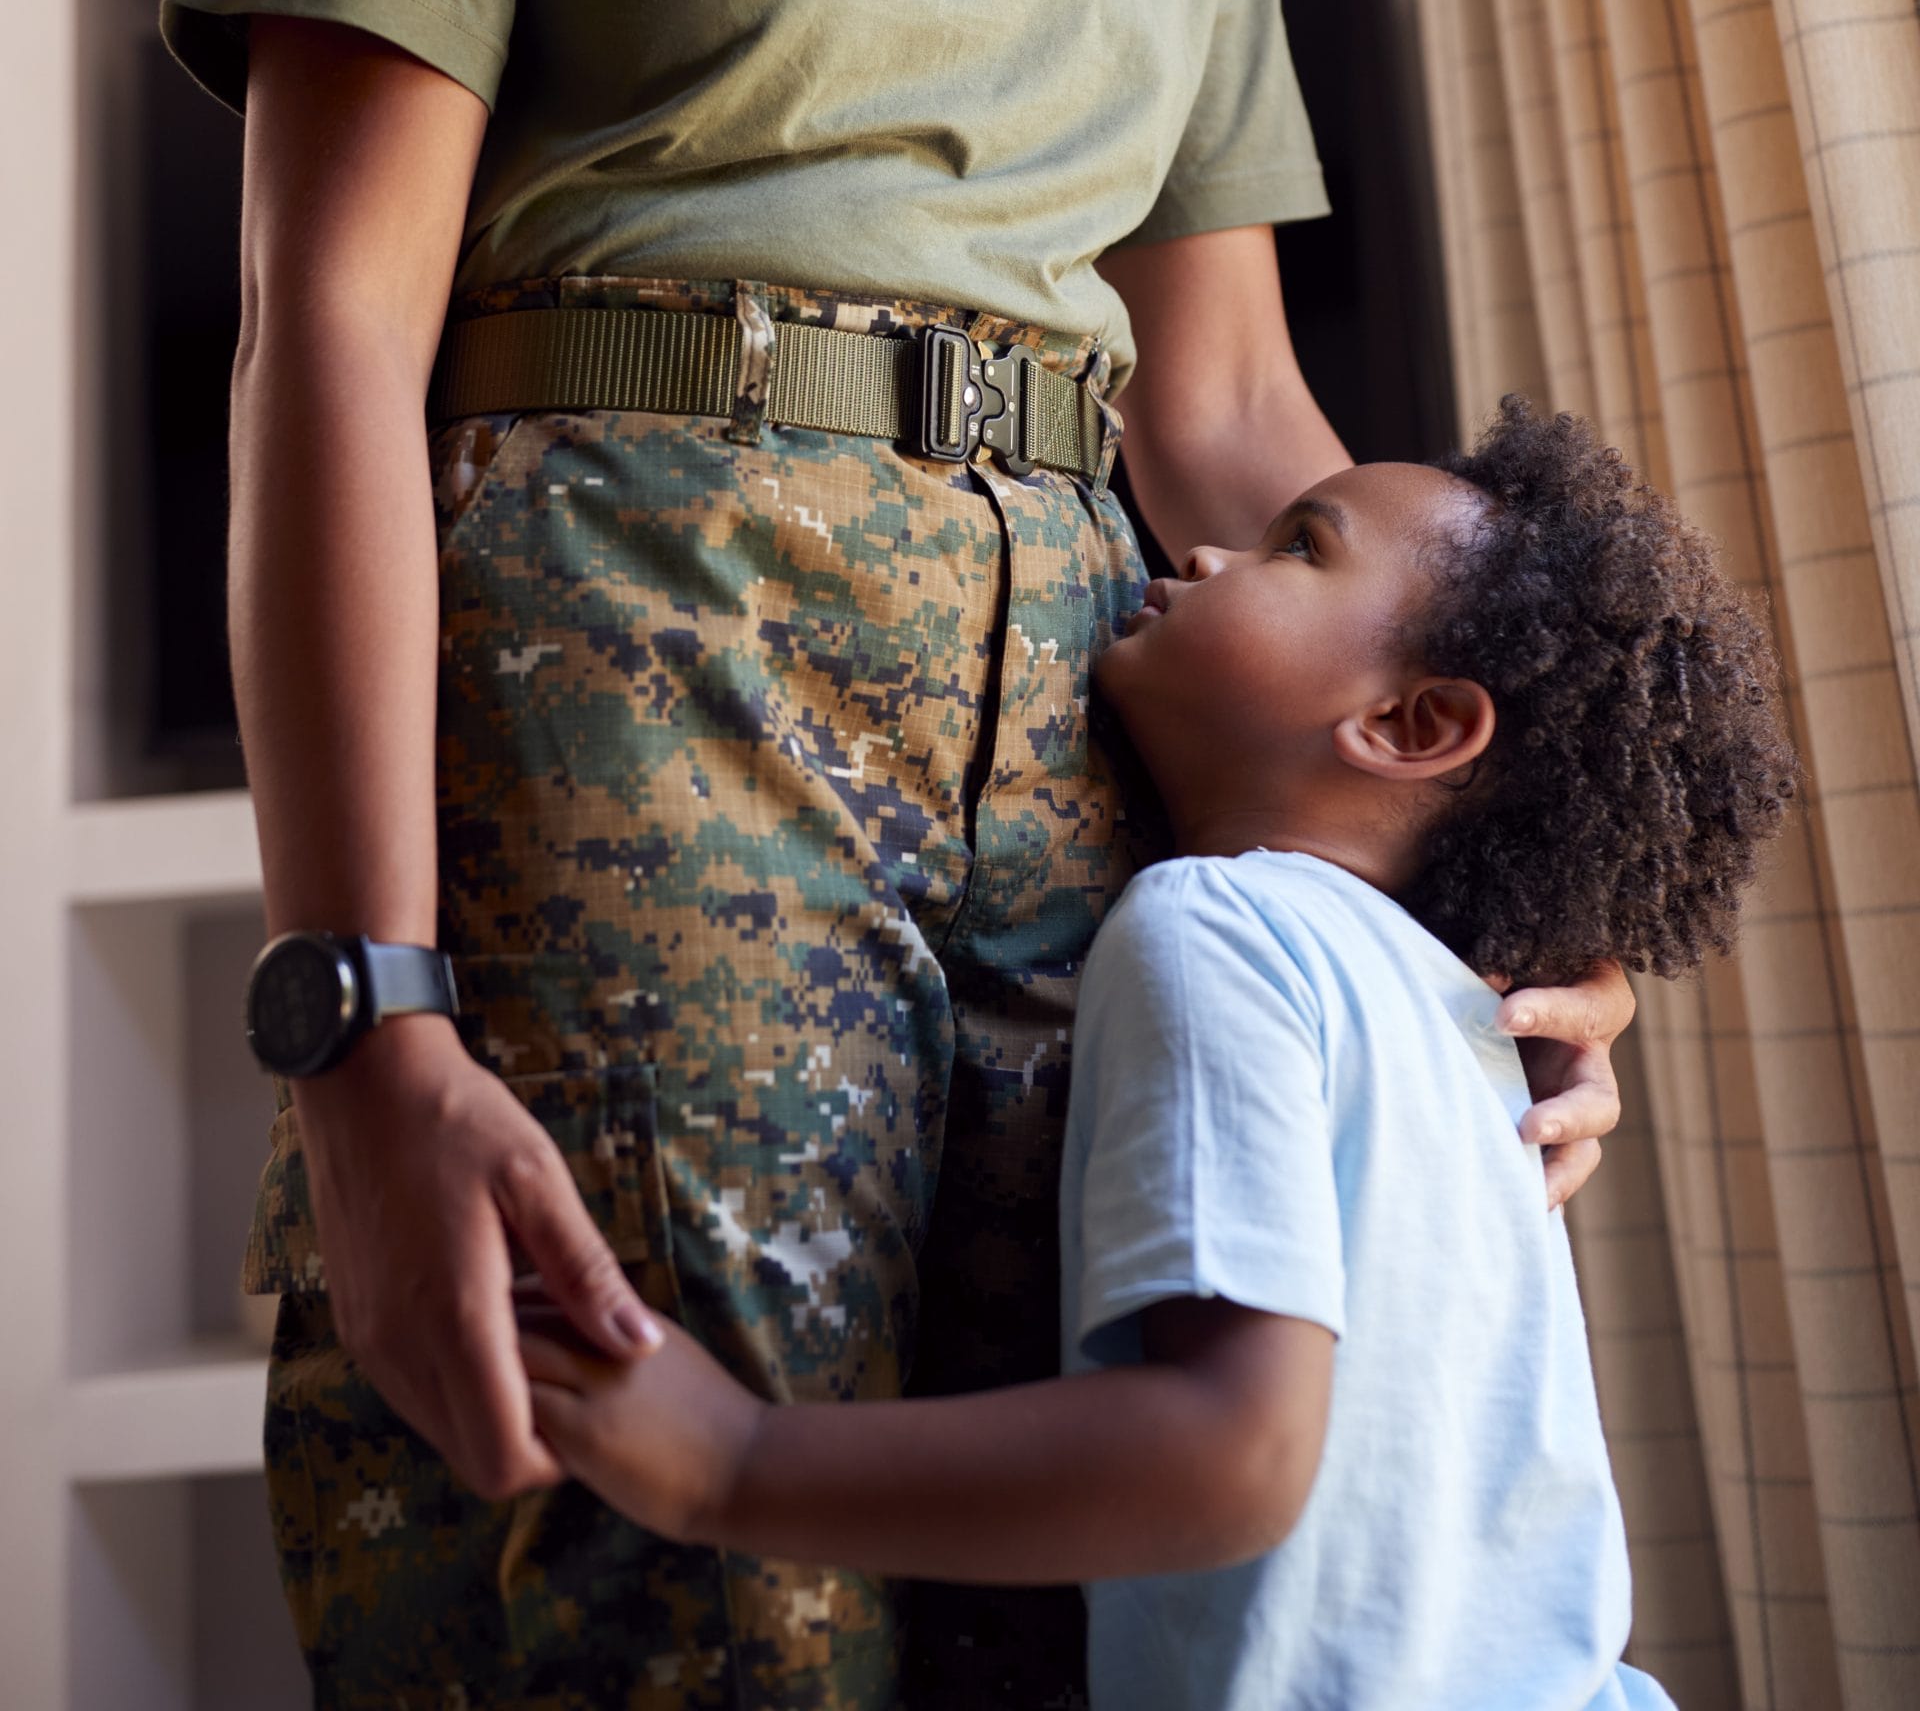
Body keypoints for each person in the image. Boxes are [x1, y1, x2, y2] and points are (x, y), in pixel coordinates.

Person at [161, 0, 1634, 1711]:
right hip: (633, 691)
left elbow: (1222, 424)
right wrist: (358, 1013)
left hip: (1080, 781)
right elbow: (329, 334)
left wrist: (1515, 898)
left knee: (1027, 1607)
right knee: (653, 1586)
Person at [518, 401, 1795, 1711]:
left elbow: (1230, 1458)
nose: (1205, 557)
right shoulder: (1459, 1021)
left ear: (1410, 727)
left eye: (1299, 549)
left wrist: (731, 1465)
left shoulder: (1222, 930)